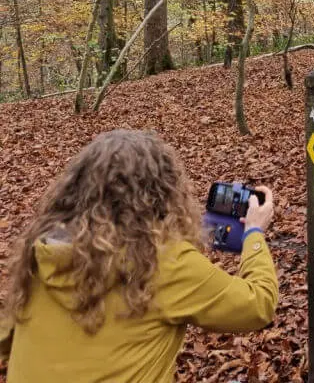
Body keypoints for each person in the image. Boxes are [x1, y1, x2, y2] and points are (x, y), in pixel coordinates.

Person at [0, 129, 278, 383]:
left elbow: (6, 339)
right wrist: (253, 232)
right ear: (163, 192)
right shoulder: (162, 261)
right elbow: (258, 305)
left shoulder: (43, 251)